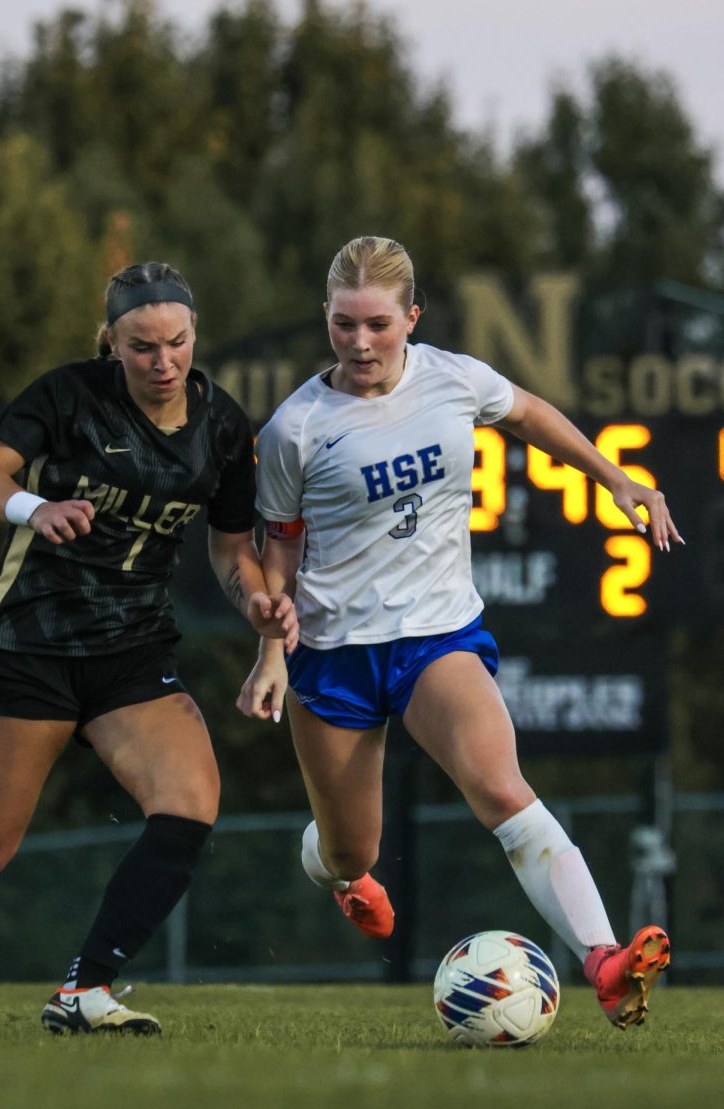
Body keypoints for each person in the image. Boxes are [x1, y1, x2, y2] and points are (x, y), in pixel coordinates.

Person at [238, 236, 679, 1029]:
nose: (361, 342)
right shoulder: (294, 429)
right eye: (343, 325)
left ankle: (605, 960)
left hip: (437, 635)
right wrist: (272, 650)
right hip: (335, 656)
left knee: (504, 792)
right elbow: (281, 549)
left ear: (411, 317)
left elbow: (532, 414)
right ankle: (336, 870)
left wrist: (615, 478)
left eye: (377, 323)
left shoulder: (454, 378)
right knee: (351, 852)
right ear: (327, 321)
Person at [0, 261, 298, 1035]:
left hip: (132, 652)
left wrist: (257, 600)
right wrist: (34, 506)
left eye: (177, 342)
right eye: (141, 346)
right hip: (33, 641)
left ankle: (85, 989)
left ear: (195, 334)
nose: (162, 362)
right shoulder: (69, 396)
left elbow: (232, 549)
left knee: (190, 805)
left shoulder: (224, 426)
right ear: (112, 342)